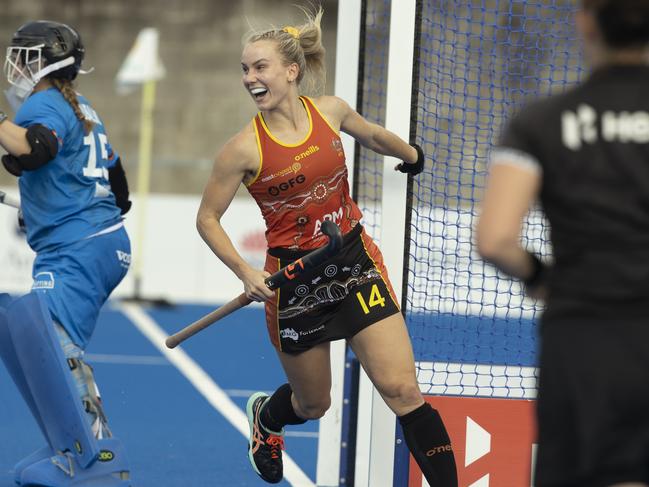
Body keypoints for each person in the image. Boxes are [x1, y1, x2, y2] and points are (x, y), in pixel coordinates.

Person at [196, 6, 458, 486]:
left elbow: (374, 135)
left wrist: (411, 154)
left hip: (353, 261)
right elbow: (207, 218)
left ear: (291, 71)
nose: (250, 78)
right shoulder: (242, 150)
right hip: (291, 284)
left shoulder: (330, 111)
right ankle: (268, 420)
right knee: (314, 404)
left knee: (402, 389)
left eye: (260, 67)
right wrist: (245, 271)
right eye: (245, 69)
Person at [476, 1, 649, 486]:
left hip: (583, 340)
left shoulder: (542, 122)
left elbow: (494, 239)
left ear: (586, 20)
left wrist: (540, 276)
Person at [0, 20, 132, 486]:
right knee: (25, 332)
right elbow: (118, 183)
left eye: (22, 55)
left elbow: (36, 151)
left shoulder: (45, 104)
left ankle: (97, 457)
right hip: (95, 241)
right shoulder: (82, 107)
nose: (14, 65)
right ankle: (65, 445)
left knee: (53, 342)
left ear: (41, 61)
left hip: (77, 248)